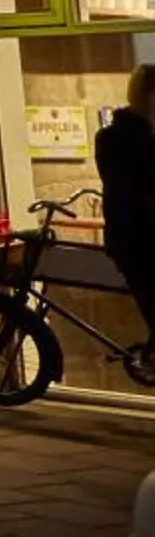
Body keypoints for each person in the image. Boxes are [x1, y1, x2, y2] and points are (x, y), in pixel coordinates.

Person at [96, 64, 155, 356]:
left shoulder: (114, 137)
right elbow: (131, 189)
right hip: (137, 239)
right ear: (148, 96)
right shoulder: (121, 139)